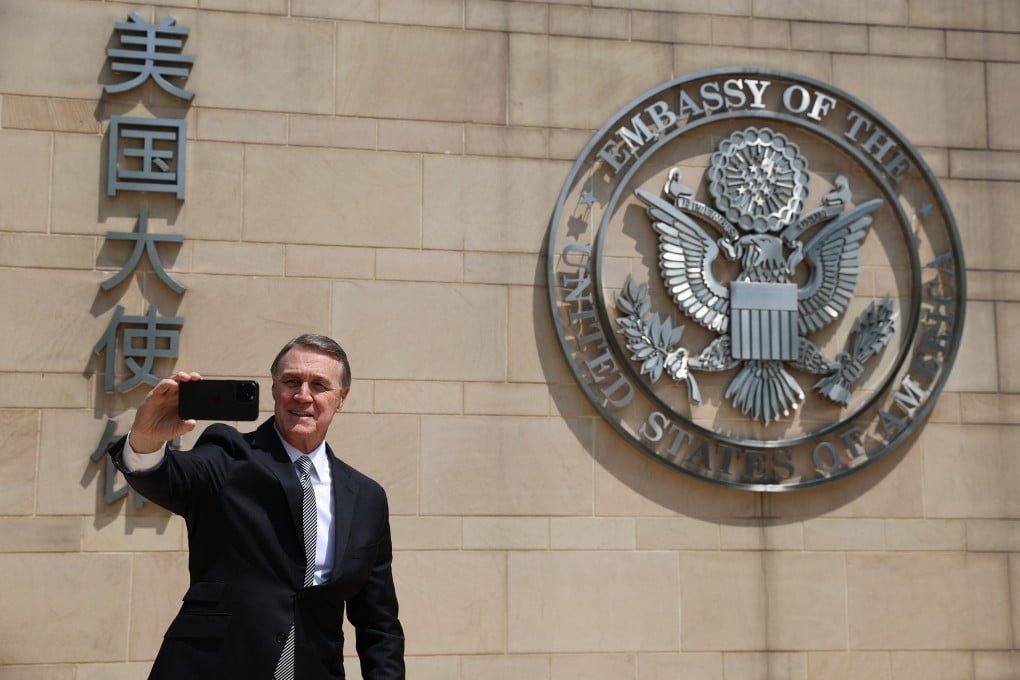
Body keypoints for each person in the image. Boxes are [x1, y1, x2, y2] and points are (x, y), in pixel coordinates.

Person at [109, 333, 405, 679]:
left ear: (341, 398)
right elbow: (169, 478)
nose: (303, 395)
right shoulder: (229, 454)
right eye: (291, 381)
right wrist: (146, 438)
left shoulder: (367, 497)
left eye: (319, 385)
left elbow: (379, 623)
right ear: (274, 388)